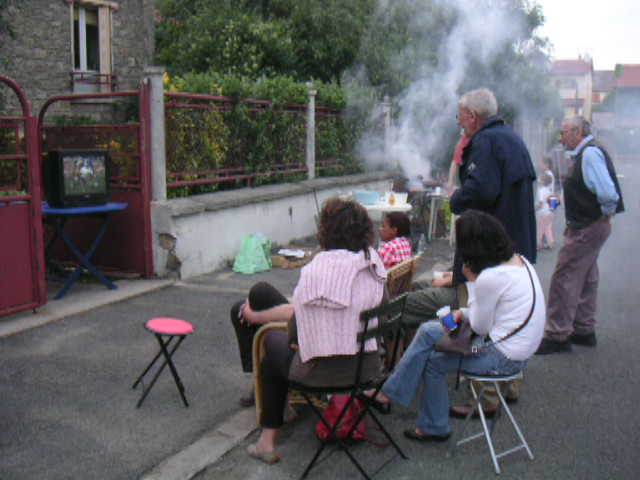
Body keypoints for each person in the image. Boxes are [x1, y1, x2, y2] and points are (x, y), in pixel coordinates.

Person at [230, 197, 386, 463]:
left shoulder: (316, 271)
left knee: (271, 345)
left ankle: (267, 441)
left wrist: (264, 320)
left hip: (321, 373)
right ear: (365, 230)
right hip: (368, 369)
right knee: (264, 304)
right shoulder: (374, 266)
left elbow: (295, 336)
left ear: (326, 230)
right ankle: (278, 415)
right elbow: (382, 315)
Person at [371, 210, 545, 441]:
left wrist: (472, 284)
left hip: (500, 356)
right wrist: (462, 313)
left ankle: (430, 423)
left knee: (433, 361)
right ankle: (392, 395)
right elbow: (494, 316)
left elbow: (480, 328)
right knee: (429, 331)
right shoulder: (521, 262)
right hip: (518, 351)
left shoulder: (489, 278)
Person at [446, 87, 537, 415]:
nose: (459, 123)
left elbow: (481, 191)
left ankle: (483, 398)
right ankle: (510, 384)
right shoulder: (512, 138)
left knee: (482, 323)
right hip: (516, 245)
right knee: (508, 321)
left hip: (489, 251)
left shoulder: (485, 142)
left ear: (472, 116)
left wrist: (454, 198)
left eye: (460, 117)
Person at [536, 116, 624, 355]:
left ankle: (557, 334)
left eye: (564, 132)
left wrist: (604, 215)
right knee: (586, 275)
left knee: (564, 276)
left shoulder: (590, 154)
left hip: (588, 225)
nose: (561, 138)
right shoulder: (587, 153)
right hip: (591, 223)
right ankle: (584, 330)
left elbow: (608, 194)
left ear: (577, 132)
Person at [536, 172, 555, 250]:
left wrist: (535, 209)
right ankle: (551, 242)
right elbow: (553, 201)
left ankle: (539, 245)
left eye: (540, 179)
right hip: (549, 212)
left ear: (543, 181)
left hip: (542, 213)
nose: (539, 180)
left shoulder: (541, 191)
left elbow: (541, 203)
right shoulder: (549, 190)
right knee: (548, 228)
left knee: (540, 229)